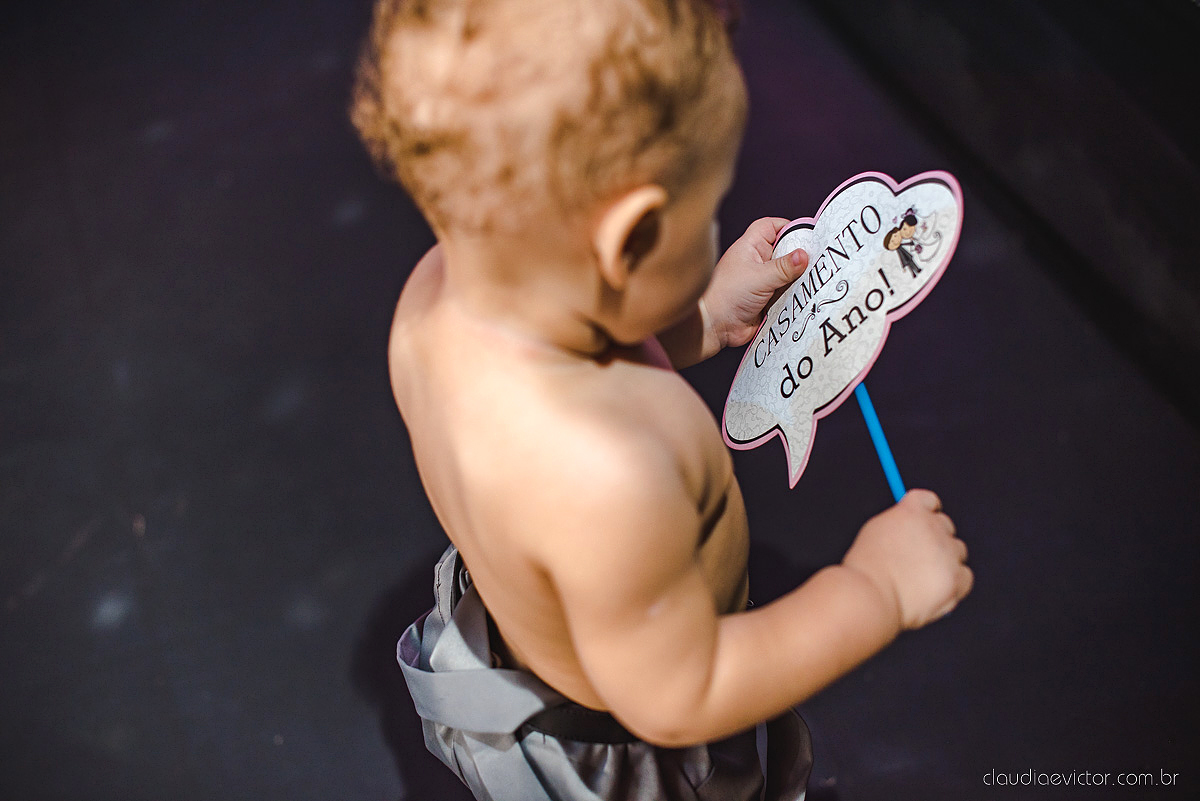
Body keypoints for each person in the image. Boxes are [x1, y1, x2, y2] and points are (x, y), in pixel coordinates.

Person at [351, 1, 972, 798]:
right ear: (631, 238)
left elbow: (593, 338)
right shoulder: (607, 475)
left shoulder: (439, 297)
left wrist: (705, 313)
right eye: (703, 212)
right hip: (634, 750)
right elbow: (683, 692)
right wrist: (874, 591)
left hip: (535, 642)